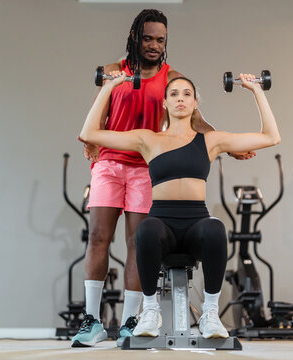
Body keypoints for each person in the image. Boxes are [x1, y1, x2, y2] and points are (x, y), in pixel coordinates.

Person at [72, 9, 254, 347]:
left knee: (136, 241)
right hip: (111, 162)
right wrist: (91, 141)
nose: (154, 45)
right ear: (135, 37)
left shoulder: (173, 79)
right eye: (148, 38)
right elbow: (100, 114)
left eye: (161, 40)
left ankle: (129, 320)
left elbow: (197, 122)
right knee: (97, 237)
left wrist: (227, 147)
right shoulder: (115, 72)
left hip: (146, 165)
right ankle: (91, 321)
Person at [79, 71, 280, 338]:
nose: (180, 99)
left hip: (196, 222)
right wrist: (109, 86)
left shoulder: (211, 140)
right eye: (173, 94)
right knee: (146, 230)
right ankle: (149, 312)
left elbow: (270, 137)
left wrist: (257, 90)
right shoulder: (148, 139)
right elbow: (89, 132)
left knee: (216, 229)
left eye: (187, 94)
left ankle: (210, 314)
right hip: (162, 224)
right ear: (164, 103)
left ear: (196, 103)